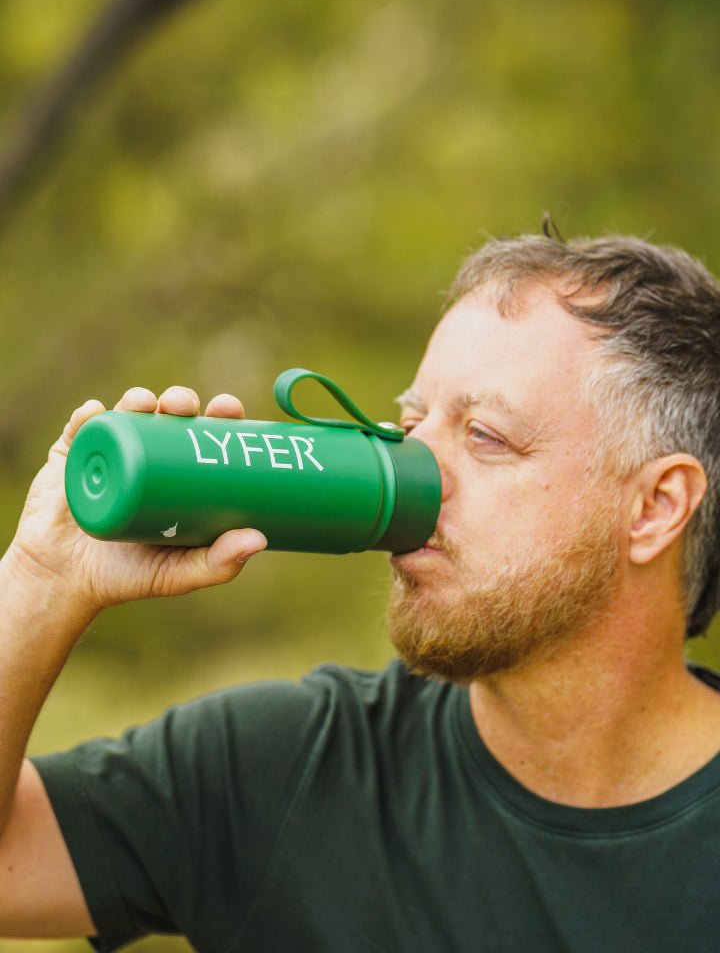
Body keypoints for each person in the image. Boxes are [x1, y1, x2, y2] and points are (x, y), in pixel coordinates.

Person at [2, 229, 720, 952]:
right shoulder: (288, 769)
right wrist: (42, 580)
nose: (413, 468)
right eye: (410, 424)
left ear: (655, 507)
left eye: (486, 436)